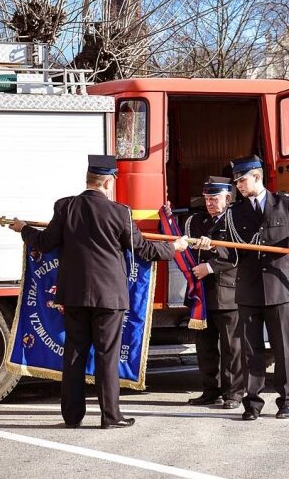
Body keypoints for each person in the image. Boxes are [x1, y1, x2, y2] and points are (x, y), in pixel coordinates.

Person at [10, 154, 188, 430]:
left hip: (74, 296)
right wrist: (174, 248)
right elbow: (144, 250)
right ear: (108, 182)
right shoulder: (120, 213)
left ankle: (72, 416)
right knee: (106, 356)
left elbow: (44, 243)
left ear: (89, 180)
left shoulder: (65, 207)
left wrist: (24, 229)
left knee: (73, 355)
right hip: (109, 298)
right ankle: (110, 416)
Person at [225, 155, 289, 421]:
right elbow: (227, 248)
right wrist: (207, 244)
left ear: (256, 177)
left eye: (242, 180)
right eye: (236, 182)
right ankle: (253, 403)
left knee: (283, 349)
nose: (239, 186)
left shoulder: (283, 202)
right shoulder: (234, 212)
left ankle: (287, 400)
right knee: (251, 350)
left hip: (279, 286)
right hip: (249, 288)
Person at [185, 176, 244, 409]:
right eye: (207, 198)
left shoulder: (236, 219)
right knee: (205, 349)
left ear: (227, 198)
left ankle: (234, 394)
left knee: (231, 348)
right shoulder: (198, 221)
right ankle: (211, 391)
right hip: (201, 296)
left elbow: (237, 252)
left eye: (215, 198)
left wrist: (208, 266)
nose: (210, 203)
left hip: (227, 293)